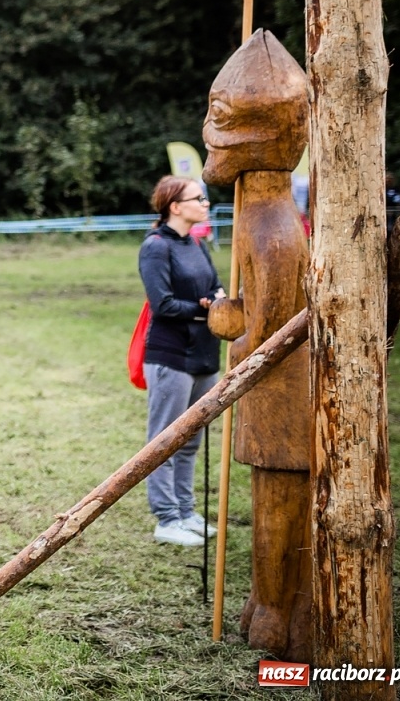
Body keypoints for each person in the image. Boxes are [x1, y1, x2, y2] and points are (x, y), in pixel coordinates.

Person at [138, 175, 224, 547]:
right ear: (175, 206)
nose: (205, 203)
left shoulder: (197, 243)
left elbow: (215, 287)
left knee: (190, 440)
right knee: (164, 441)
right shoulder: (155, 247)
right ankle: (167, 519)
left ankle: (186, 512)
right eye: (198, 198)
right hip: (170, 356)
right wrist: (204, 309)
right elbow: (163, 304)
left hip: (204, 354)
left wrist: (216, 299)